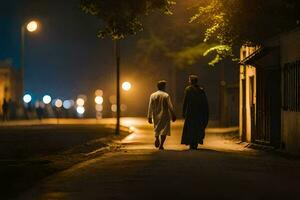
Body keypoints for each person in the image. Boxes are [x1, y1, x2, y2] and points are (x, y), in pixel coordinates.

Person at [181, 75, 209, 150]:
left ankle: (191, 142)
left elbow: (185, 101)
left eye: (189, 80)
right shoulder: (201, 90)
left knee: (190, 128)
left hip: (190, 112)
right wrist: (205, 113)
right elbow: (204, 103)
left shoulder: (188, 89)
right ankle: (196, 142)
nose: (188, 81)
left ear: (191, 81)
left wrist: (183, 111)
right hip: (199, 113)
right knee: (197, 128)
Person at [147, 80, 176, 150]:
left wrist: (149, 116)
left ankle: (157, 138)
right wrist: (173, 115)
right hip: (164, 115)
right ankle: (161, 145)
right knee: (164, 130)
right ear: (164, 87)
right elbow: (170, 106)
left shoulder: (153, 95)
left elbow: (150, 106)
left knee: (157, 128)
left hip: (155, 115)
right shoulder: (166, 95)